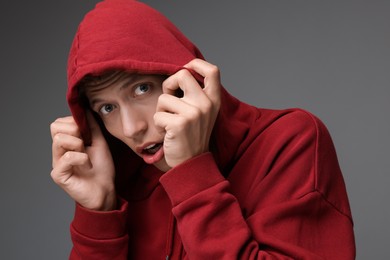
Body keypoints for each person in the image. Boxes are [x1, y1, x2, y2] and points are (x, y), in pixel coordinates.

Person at [50, 0, 355, 259]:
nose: (131, 128)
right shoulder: (123, 181)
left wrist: (192, 175)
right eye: (107, 108)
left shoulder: (289, 141)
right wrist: (98, 214)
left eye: (142, 89)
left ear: (187, 79)